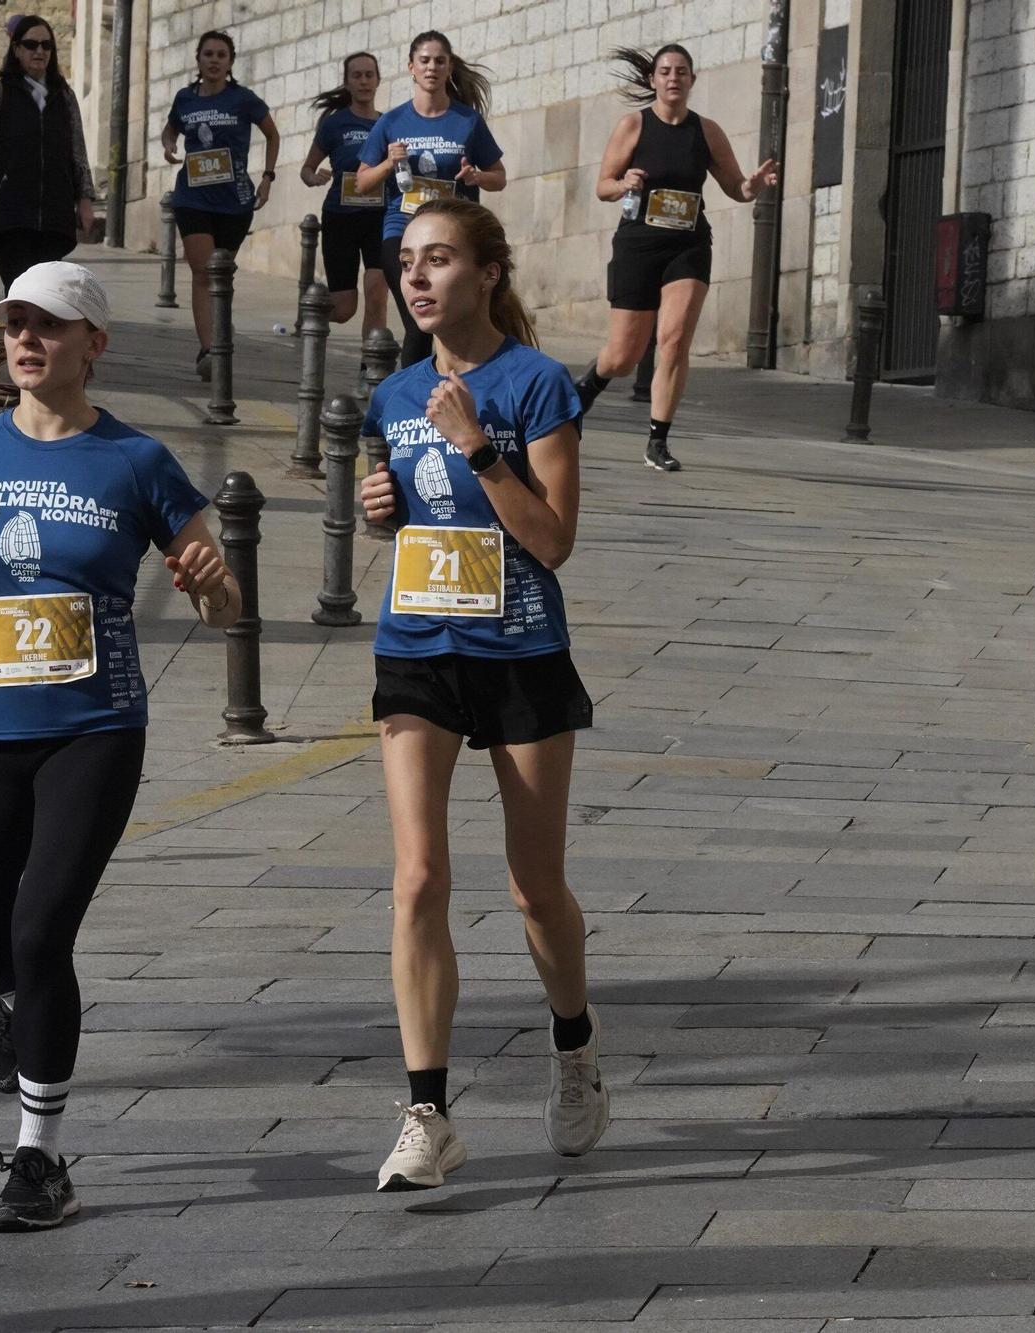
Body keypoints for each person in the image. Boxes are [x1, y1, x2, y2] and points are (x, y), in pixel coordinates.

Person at [0, 261, 241, 1231]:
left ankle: (40, 1158)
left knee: (41, 934)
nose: (27, 341)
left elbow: (223, 603)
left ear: (93, 344)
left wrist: (210, 581)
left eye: (48, 325)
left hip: (93, 731)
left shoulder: (135, 461)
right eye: (15, 326)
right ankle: (9, 1002)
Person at [356, 198, 606, 1191]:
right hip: (416, 648)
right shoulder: (392, 393)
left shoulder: (537, 384)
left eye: (440, 259)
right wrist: (380, 507)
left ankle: (574, 1042)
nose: (417, 278)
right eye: (408, 261)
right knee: (418, 877)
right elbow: (409, 518)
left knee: (533, 886)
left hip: (519, 651)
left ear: (488, 273)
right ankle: (427, 1113)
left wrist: (477, 447)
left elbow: (553, 541)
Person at [572, 45, 779, 472]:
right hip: (638, 244)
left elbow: (736, 188)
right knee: (624, 356)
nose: (673, 78)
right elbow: (603, 186)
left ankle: (658, 440)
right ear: (653, 80)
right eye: (665, 71)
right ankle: (589, 384)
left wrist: (753, 186)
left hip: (688, 245)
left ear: (691, 80)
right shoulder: (634, 125)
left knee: (674, 339)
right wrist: (624, 183)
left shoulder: (706, 131)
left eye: (681, 72)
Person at [355, 32, 505, 368]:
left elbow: (499, 177)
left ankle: (463, 380)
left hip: (455, 236)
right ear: (411, 67)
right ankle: (413, 391)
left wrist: (476, 177)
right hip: (402, 232)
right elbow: (362, 182)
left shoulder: (468, 121)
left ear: (449, 67)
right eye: (424, 60)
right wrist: (388, 164)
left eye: (439, 61)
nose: (432, 67)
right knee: (419, 324)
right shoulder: (392, 121)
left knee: (455, 322)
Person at [161, 31, 280, 380]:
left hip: (234, 201)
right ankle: (209, 349)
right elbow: (170, 130)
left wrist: (268, 177)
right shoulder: (185, 98)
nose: (214, 60)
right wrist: (169, 146)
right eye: (208, 54)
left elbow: (272, 134)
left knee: (222, 274)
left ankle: (218, 331)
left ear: (230, 63)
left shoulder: (243, 99)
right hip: (192, 197)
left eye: (221, 55)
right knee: (204, 271)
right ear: (198, 60)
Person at [0, 16, 98, 290]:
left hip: (54, 214)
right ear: (16, 49)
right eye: (31, 44)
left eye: (46, 45)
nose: (39, 51)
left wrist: (84, 200)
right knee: (18, 290)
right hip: (11, 214)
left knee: (45, 292)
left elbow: (77, 150)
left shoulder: (65, 97)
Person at [300, 53, 389, 341]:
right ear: (347, 82)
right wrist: (313, 177)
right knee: (343, 309)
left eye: (369, 75)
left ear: (378, 80)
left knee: (377, 291)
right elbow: (307, 168)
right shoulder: (334, 124)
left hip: (379, 218)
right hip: (341, 219)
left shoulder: (389, 124)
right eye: (357, 76)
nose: (364, 81)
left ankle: (369, 362)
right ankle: (312, 312)